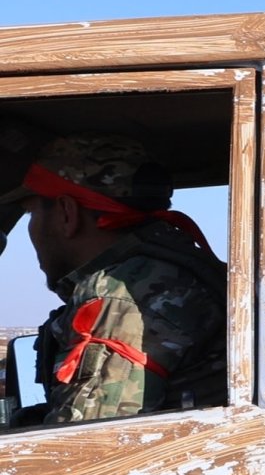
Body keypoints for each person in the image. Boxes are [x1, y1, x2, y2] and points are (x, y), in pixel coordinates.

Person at [0, 135, 227, 426]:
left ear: (67, 213)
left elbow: (83, 445)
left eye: (31, 213)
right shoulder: (169, 268)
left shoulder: (122, 294)